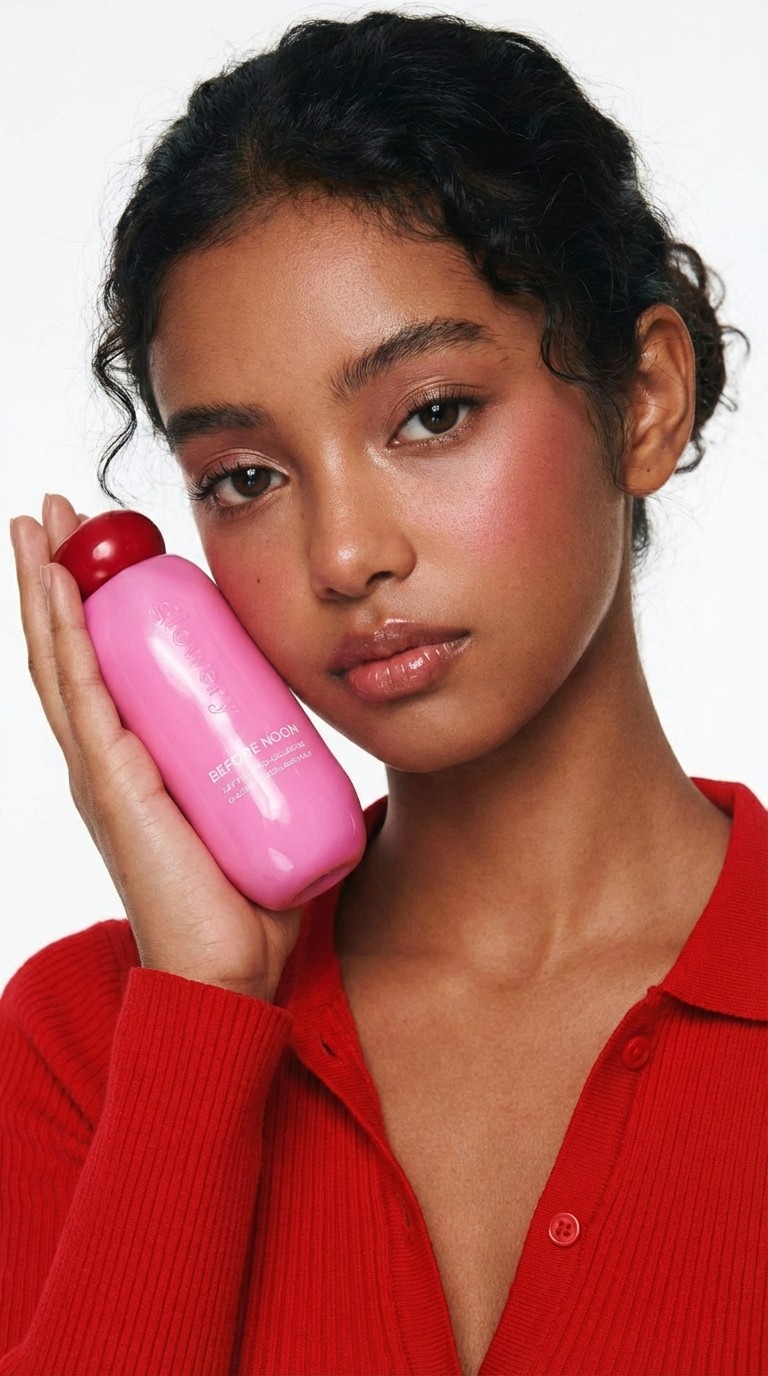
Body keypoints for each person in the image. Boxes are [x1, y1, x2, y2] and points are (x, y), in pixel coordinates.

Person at [4, 10, 766, 1376]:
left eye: (430, 414)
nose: (345, 555)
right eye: (246, 477)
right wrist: (203, 1018)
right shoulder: (87, 1044)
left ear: (647, 398)